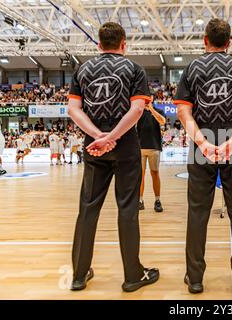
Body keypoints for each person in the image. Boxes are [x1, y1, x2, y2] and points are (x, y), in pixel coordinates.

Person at [67, 22, 159, 292]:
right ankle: (133, 275)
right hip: (125, 145)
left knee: (87, 208)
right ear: (123, 44)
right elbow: (138, 108)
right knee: (127, 208)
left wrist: (99, 136)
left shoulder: (83, 69)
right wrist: (113, 137)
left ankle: (79, 275)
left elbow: (73, 109)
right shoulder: (133, 69)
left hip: (93, 146)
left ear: (98, 44)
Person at [175, 18, 232, 294]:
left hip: (203, 142)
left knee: (198, 212)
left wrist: (202, 142)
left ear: (205, 40)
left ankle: (195, 278)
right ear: (229, 42)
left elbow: (183, 112)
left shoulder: (192, 68)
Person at [137, 100, 166, 212]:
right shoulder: (138, 111)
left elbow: (162, 121)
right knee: (141, 175)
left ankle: (157, 200)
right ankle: (140, 200)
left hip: (154, 147)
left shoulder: (158, 110)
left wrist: (151, 109)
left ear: (152, 99)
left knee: (155, 173)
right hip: (140, 148)